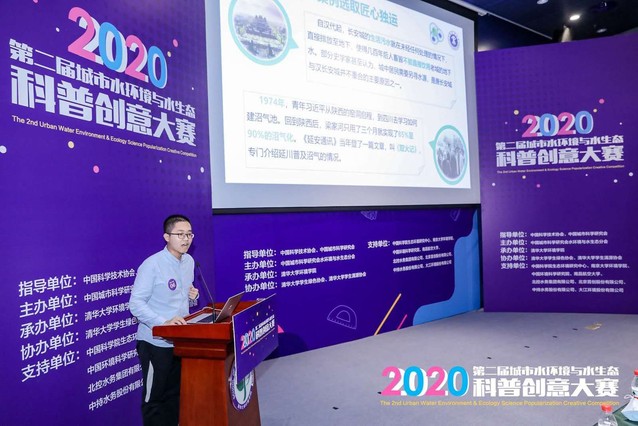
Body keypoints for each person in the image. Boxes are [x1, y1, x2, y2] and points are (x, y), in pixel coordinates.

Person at [129, 214, 200, 426]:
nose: (186, 239)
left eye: (189, 234)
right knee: (155, 398)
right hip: (155, 343)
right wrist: (163, 323)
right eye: (180, 234)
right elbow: (136, 304)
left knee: (174, 394)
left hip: (180, 341)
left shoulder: (189, 261)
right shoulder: (152, 265)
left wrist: (192, 297)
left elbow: (179, 299)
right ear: (167, 237)